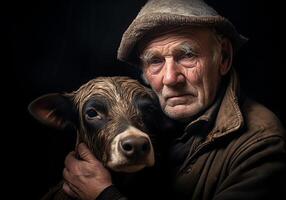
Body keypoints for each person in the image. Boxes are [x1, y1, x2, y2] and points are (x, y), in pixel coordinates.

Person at [62, 0, 286, 199]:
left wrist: (104, 194)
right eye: (155, 61)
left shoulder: (261, 142)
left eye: (188, 55)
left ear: (224, 58)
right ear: (144, 73)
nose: (170, 79)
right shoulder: (151, 119)